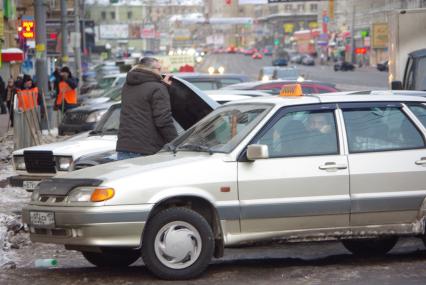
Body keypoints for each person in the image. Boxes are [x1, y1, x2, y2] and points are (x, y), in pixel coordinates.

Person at [116, 57, 178, 160]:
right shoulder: (158, 88)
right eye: (159, 69)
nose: (161, 72)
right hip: (147, 149)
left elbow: (142, 100)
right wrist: (176, 142)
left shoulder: (127, 86)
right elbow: (163, 120)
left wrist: (162, 86)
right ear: (151, 69)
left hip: (124, 147)